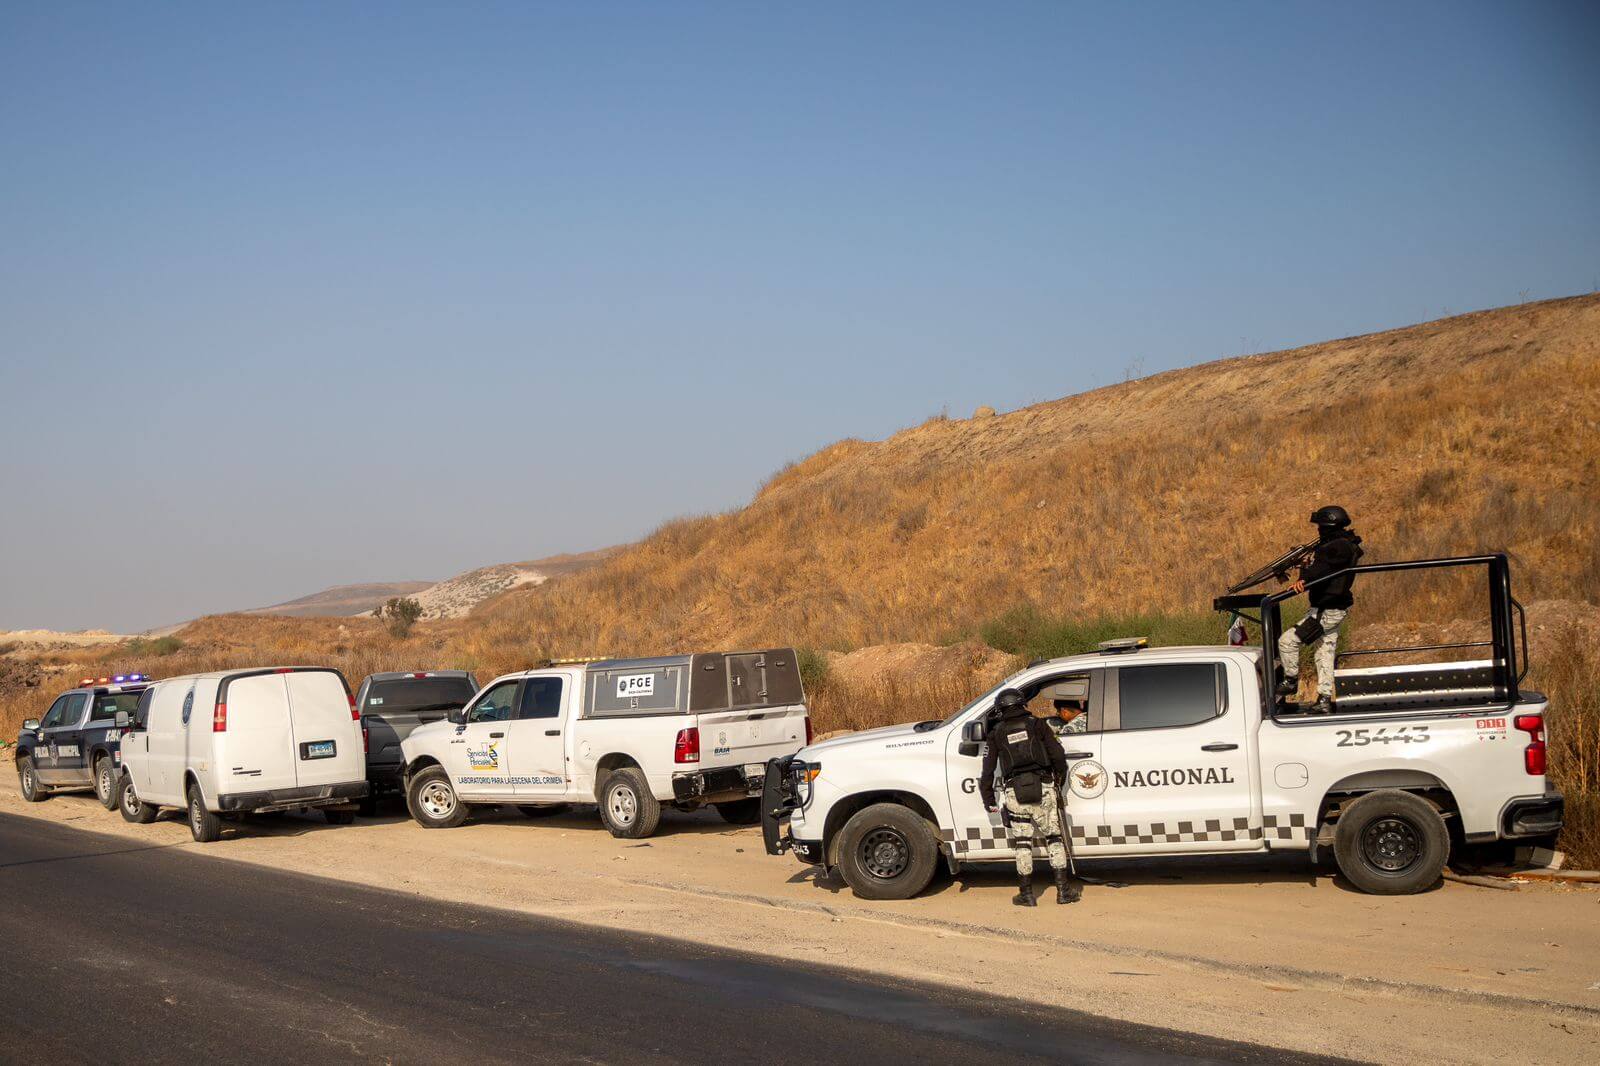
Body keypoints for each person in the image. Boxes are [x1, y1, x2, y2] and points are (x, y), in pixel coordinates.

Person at [979, 688, 1080, 906]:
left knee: (1023, 843)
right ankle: (1063, 892)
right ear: (1022, 704)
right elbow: (1058, 755)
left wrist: (988, 799)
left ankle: (1026, 894)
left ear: (1000, 709)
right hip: (1043, 787)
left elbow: (987, 771)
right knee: (1054, 837)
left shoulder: (996, 733)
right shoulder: (1037, 724)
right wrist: (1058, 780)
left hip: (1015, 791)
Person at [1275, 505, 1364, 714]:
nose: (1318, 530)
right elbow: (1324, 567)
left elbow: (1321, 569)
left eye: (1319, 526)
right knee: (1324, 654)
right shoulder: (1343, 544)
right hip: (1333, 609)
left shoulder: (1337, 547)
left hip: (1326, 611)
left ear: (1327, 525)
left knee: (1287, 642)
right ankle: (1324, 698)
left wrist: (1305, 576)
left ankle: (1290, 681)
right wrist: (1306, 568)